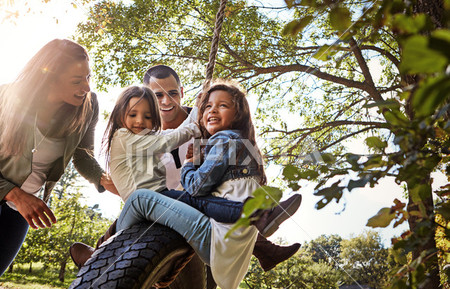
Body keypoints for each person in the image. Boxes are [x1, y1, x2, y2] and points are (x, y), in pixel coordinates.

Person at [70, 84, 300, 274]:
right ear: (120, 116)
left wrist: (198, 107)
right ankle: (99, 253)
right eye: (132, 114)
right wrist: (194, 127)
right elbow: (166, 141)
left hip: (159, 198)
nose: (140, 121)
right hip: (139, 205)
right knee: (186, 198)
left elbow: (169, 134)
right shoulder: (124, 136)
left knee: (198, 201)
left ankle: (260, 222)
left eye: (148, 116)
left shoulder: (147, 136)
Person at [0, 39, 116, 277]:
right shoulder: (6, 98)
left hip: (22, 208)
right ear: (49, 78)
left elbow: (83, 156)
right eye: (76, 80)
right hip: (15, 196)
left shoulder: (88, 105)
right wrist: (14, 194)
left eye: (88, 77)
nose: (86, 87)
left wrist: (106, 181)